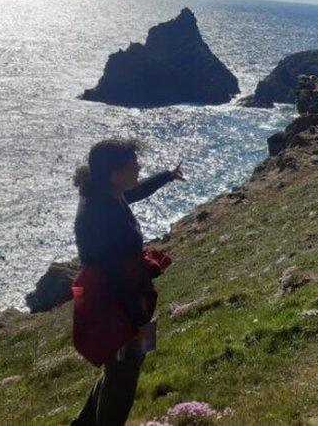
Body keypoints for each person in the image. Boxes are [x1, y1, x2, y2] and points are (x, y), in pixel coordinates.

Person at [70, 139, 183, 426]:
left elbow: (135, 192)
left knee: (120, 369)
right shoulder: (102, 213)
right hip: (117, 302)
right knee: (122, 378)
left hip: (124, 297)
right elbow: (114, 278)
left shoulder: (107, 194)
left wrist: (167, 176)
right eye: (134, 164)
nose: (139, 167)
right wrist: (137, 320)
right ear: (115, 173)